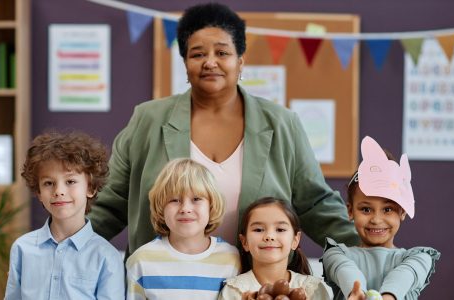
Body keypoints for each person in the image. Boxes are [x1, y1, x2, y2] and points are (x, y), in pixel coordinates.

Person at [88, 2, 358, 257]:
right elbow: (111, 204)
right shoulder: (147, 119)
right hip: (163, 283)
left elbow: (315, 205)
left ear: (240, 60)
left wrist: (370, 252)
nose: (210, 62)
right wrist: (62, 248)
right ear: (185, 63)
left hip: (255, 286)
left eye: (222, 52)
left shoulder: (282, 123)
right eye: (198, 54)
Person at [4, 131, 125, 300]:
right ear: (38, 192)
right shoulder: (22, 249)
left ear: (90, 188)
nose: (59, 191)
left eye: (70, 182)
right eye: (48, 183)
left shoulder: (107, 257)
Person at [321, 136, 440, 300]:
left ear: (403, 211)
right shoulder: (336, 254)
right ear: (350, 211)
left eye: (388, 209)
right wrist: (357, 293)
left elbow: (404, 275)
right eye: (366, 209)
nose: (376, 219)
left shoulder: (419, 258)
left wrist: (388, 296)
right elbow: (346, 270)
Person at [126, 158, 240, 300]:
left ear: (211, 205)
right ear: (161, 207)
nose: (185, 209)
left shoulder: (231, 259)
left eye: (196, 199)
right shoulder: (140, 261)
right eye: (174, 200)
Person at [218, 197, 333, 299]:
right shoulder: (234, 290)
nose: (269, 236)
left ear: (295, 240)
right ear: (244, 242)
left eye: (280, 229)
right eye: (258, 229)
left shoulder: (313, 289)